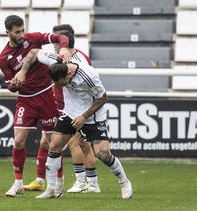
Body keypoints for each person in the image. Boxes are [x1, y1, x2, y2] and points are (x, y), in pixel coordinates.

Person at [25, 49, 133, 199]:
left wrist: (84, 116)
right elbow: (34, 52)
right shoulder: (56, 62)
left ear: (69, 74)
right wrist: (22, 73)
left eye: (62, 83)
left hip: (92, 116)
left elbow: (103, 98)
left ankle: (124, 182)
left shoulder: (89, 75)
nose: (61, 87)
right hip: (70, 113)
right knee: (54, 144)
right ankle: (51, 189)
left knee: (103, 155)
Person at [0, 15, 71, 197]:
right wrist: (15, 84)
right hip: (25, 99)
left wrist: (63, 48)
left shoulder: (34, 38)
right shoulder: (3, 58)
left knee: (54, 142)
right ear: (8, 33)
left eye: (23, 30)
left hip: (47, 95)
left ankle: (58, 184)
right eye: (17, 32)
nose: (22, 34)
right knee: (19, 141)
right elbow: (9, 86)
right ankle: (18, 183)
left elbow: (62, 38)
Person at [51, 25, 100, 193]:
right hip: (67, 107)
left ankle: (83, 182)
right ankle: (92, 184)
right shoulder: (62, 58)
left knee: (77, 143)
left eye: (55, 40)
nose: (54, 44)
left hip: (80, 109)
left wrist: (86, 112)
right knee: (80, 143)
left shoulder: (79, 58)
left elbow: (90, 85)